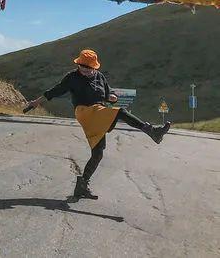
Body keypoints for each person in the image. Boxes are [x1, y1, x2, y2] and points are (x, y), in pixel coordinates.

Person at [26, 49, 170, 199]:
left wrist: (112, 97)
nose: (85, 69)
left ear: (94, 67)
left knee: (98, 152)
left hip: (99, 110)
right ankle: (152, 131)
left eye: (88, 67)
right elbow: (54, 91)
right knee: (120, 111)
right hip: (84, 111)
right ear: (78, 64)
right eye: (82, 66)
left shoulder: (99, 76)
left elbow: (108, 94)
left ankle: (82, 186)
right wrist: (36, 102)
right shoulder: (72, 77)